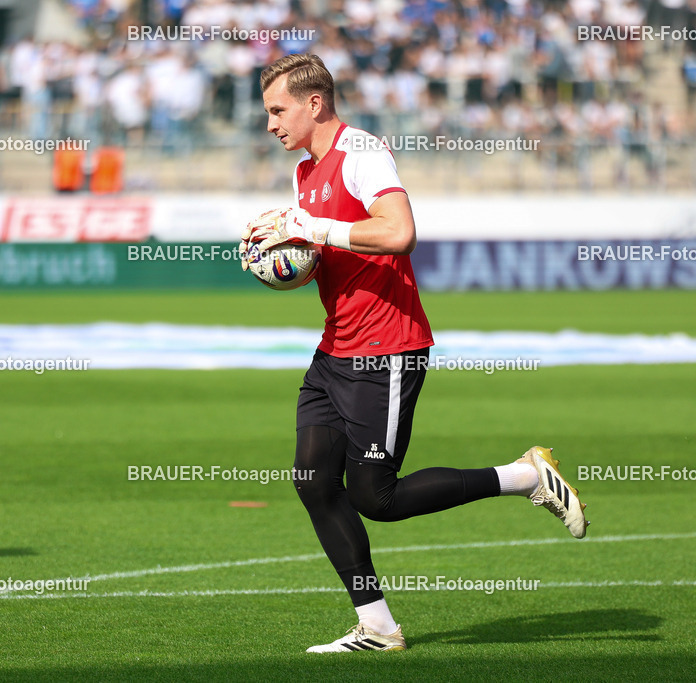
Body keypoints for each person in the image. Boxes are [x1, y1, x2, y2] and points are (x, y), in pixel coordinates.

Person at [240, 53, 589, 654]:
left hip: (387, 350)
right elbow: (329, 252)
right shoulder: (306, 171)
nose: (270, 123)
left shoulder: (364, 153)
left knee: (376, 497)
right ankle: (376, 626)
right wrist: (288, 252)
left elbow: (398, 232)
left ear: (314, 103)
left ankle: (526, 476)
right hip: (336, 347)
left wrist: (314, 229)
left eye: (278, 110)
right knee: (313, 480)